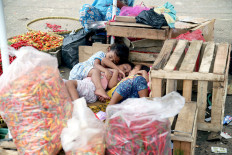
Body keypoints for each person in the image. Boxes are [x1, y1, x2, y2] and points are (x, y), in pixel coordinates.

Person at [66, 63, 134, 103]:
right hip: (86, 86)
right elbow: (103, 60)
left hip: (92, 87)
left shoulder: (117, 78)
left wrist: (116, 71)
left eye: (127, 74)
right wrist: (113, 69)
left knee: (69, 83)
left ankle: (78, 109)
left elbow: (111, 85)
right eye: (124, 68)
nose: (124, 72)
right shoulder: (107, 68)